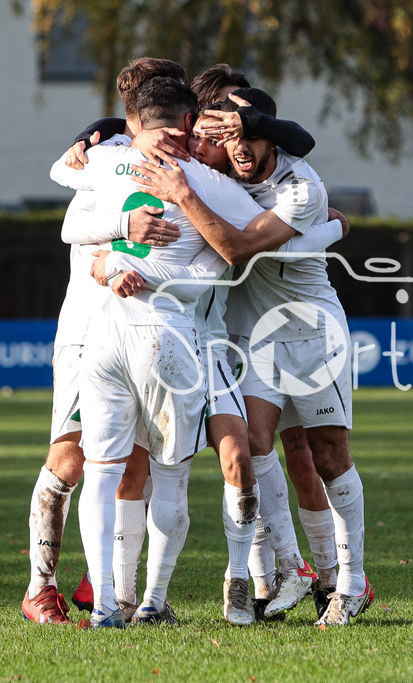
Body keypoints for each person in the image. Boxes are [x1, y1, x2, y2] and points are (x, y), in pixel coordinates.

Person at [68, 76, 346, 625]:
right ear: (188, 125)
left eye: (228, 133)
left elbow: (245, 246)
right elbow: (76, 215)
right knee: (138, 471)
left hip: (214, 341)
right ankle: (124, 598)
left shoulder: (210, 185)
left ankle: (253, 578)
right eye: (207, 130)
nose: (214, 145)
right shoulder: (165, 172)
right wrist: (113, 252)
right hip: (168, 338)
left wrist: (324, 232)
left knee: (250, 456)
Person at [132, 87, 374, 626]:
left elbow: (238, 248)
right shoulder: (222, 176)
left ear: (268, 133)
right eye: (225, 134)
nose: (236, 148)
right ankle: (291, 570)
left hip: (312, 331)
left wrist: (184, 193)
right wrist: (96, 133)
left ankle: (353, 583)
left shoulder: (301, 185)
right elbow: (157, 125)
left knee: (328, 456)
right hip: (256, 337)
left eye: (246, 134)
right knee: (255, 444)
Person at [50, 76, 267, 628]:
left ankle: (104, 606)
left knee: (102, 472)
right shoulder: (204, 183)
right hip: (167, 336)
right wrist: (326, 225)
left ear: (132, 124)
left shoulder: (107, 161)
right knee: (170, 474)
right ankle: (151, 601)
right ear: (187, 124)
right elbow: (255, 240)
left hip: (105, 334)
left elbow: (72, 224)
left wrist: (115, 248)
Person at [21, 56, 186, 626]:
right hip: (86, 331)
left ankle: (110, 588)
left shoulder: (171, 165)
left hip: (141, 333)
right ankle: (40, 586)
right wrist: (122, 225)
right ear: (129, 117)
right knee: (70, 459)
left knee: (133, 466)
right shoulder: (103, 162)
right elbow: (71, 222)